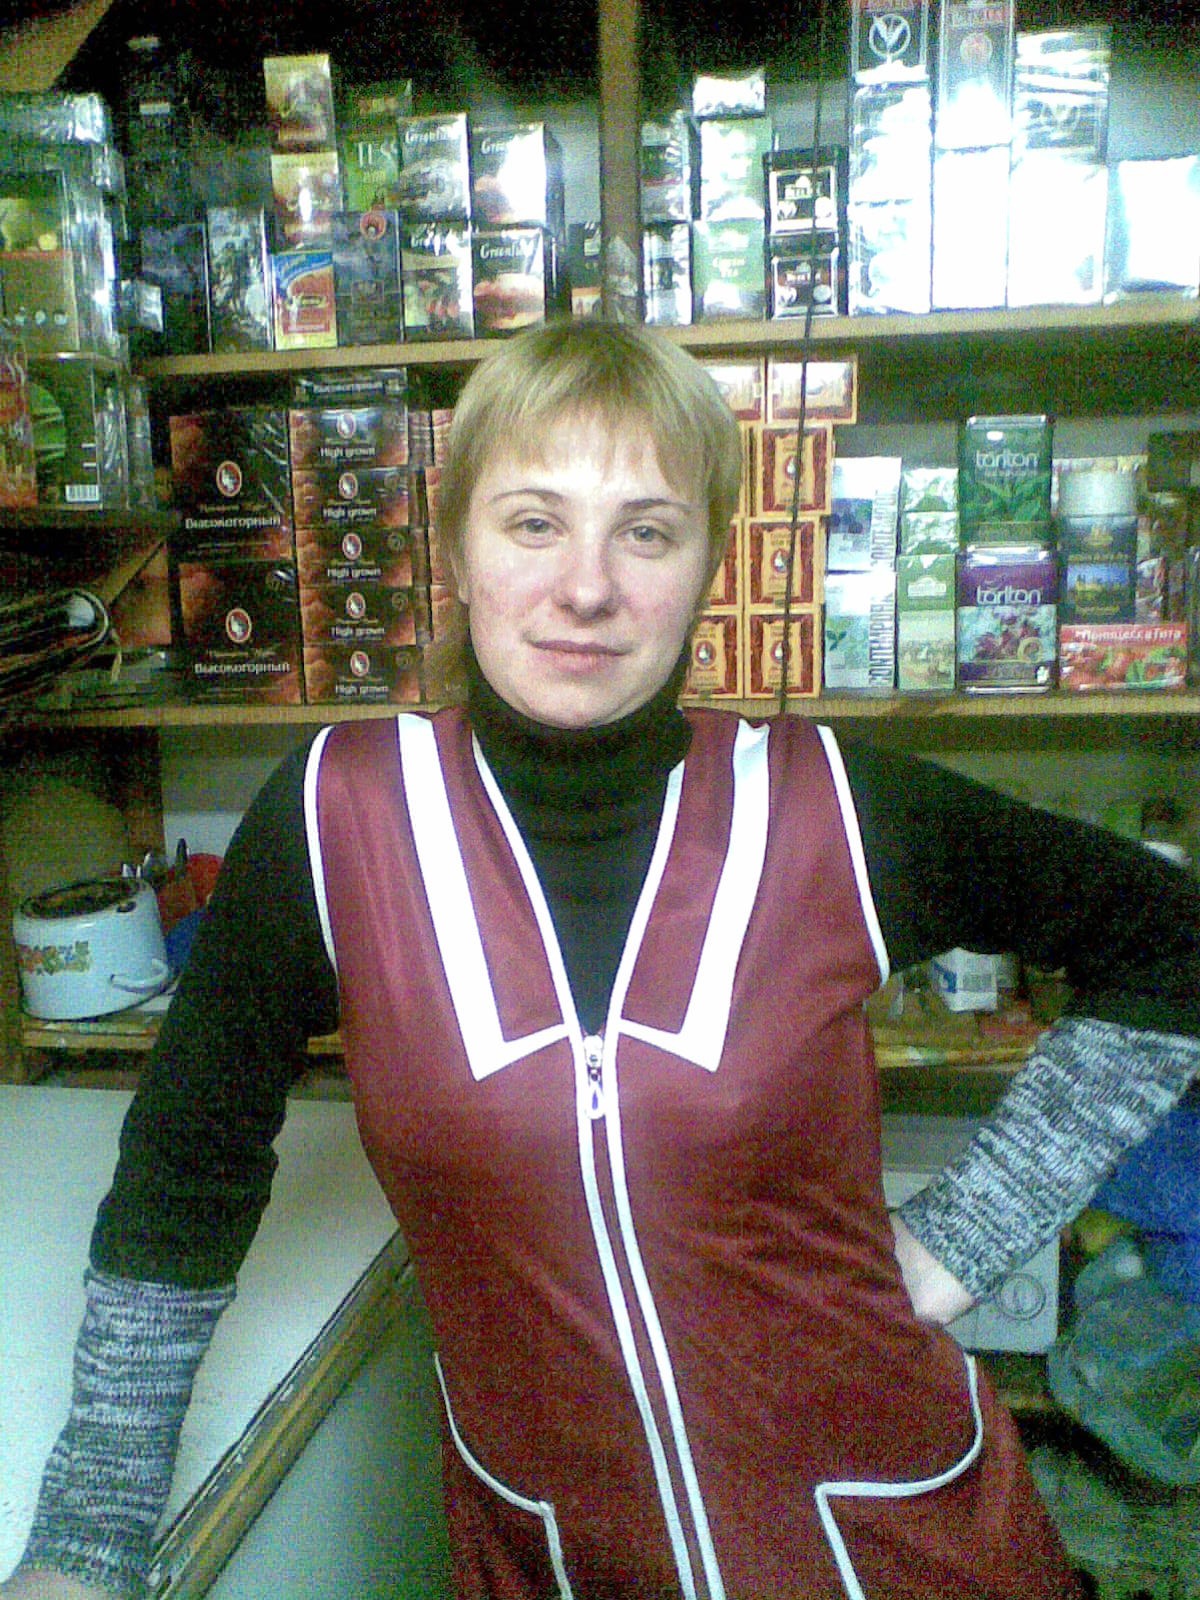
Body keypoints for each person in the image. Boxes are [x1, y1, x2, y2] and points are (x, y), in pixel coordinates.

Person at [6, 319, 1200, 1600]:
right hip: (560, 1552)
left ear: (706, 565)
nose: (588, 587)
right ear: (456, 549)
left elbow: (1171, 942)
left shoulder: (831, 804)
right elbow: (185, 1169)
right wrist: (87, 1541)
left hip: (901, 1535)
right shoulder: (335, 815)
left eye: (646, 531)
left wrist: (964, 1236)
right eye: (534, 522)